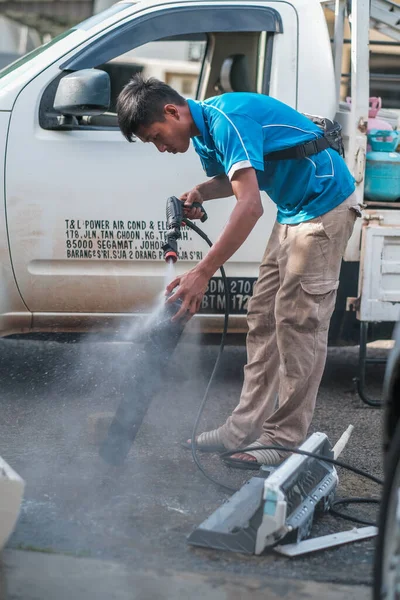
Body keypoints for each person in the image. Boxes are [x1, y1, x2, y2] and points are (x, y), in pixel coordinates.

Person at [117, 74, 361, 469]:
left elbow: (249, 207)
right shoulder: (203, 136)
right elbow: (244, 177)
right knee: (262, 318)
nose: (161, 148)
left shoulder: (227, 118)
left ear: (171, 111)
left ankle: (284, 439)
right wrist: (199, 192)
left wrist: (202, 272)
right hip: (294, 211)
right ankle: (242, 428)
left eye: (156, 137)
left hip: (324, 204)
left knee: (298, 323)